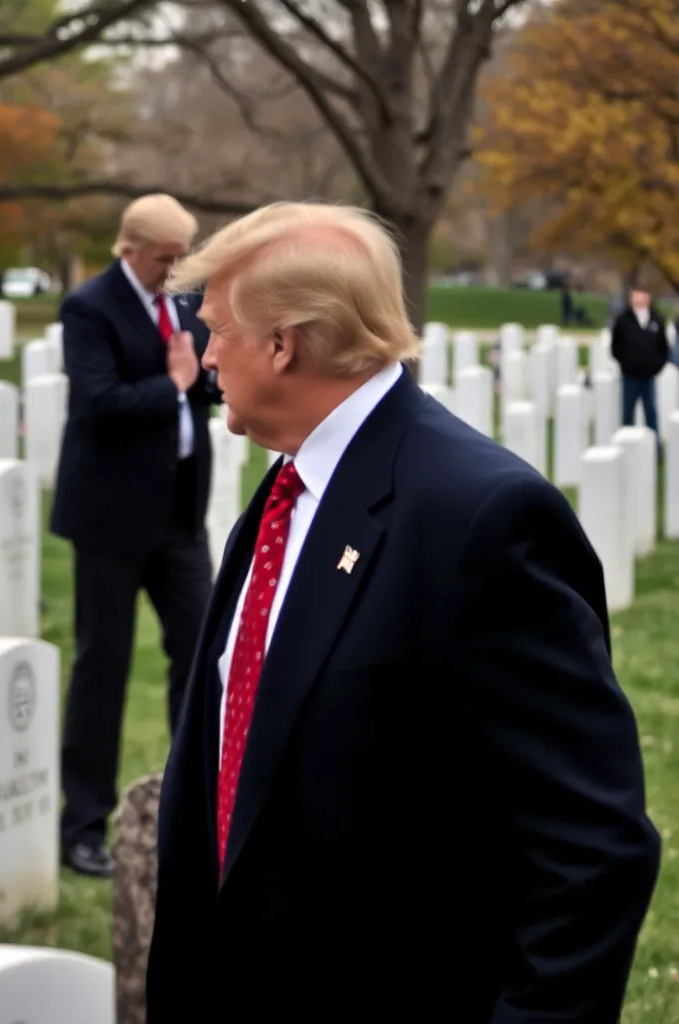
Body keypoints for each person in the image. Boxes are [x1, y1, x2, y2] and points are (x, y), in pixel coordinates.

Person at [147, 201, 660, 1021]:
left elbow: (592, 849)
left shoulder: (481, 518)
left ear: (284, 345)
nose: (204, 356)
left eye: (216, 331)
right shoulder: (289, 487)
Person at [51, 194, 221, 879]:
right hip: (112, 518)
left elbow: (204, 385)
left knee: (202, 652)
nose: (178, 269)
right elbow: (101, 404)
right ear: (130, 249)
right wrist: (174, 381)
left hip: (180, 517)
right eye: (166, 258)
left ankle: (194, 808)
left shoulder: (184, 301)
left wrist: (205, 377)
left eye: (186, 256)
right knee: (104, 668)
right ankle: (84, 826)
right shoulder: (89, 308)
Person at [612, 285, 668, 438]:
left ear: (648, 298)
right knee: (627, 413)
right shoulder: (623, 319)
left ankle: (655, 450)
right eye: (636, 296)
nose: (640, 299)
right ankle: (625, 447)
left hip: (649, 376)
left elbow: (663, 347)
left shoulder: (657, 319)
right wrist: (625, 362)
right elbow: (615, 346)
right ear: (631, 298)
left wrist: (656, 366)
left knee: (651, 412)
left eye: (643, 296)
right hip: (629, 375)